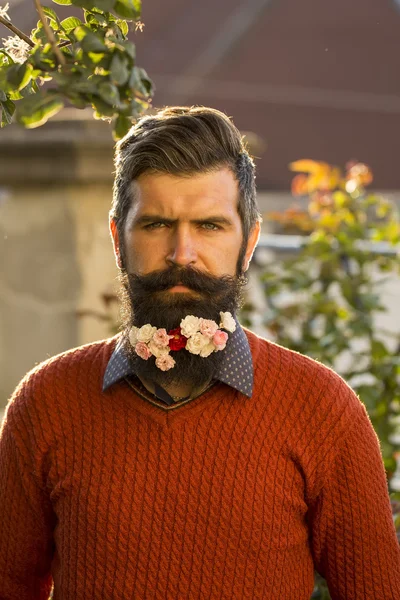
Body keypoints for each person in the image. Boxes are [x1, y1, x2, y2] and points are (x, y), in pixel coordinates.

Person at [0, 106, 399, 600]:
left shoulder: (322, 408)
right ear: (118, 239)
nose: (182, 253)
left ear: (248, 241)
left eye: (210, 226)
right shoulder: (46, 401)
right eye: (156, 224)